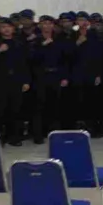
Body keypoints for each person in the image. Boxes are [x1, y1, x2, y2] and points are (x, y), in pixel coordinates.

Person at [0, 18, 31, 146]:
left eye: (9, 26)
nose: (6, 29)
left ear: (13, 28)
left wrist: (26, 81)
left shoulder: (19, 42)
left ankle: (14, 136)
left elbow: (25, 63)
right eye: (3, 27)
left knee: (15, 109)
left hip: (16, 79)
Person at [30, 15, 69, 143]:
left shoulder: (59, 39)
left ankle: (54, 134)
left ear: (53, 25)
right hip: (40, 77)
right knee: (39, 106)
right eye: (44, 23)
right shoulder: (35, 40)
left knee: (55, 106)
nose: (47, 26)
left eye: (49, 23)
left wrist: (64, 76)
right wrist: (43, 46)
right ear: (40, 25)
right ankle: (38, 135)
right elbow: (31, 59)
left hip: (56, 76)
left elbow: (65, 60)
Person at [68, 11, 103, 137]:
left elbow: (99, 56)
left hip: (91, 73)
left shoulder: (94, 35)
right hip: (76, 73)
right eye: (80, 20)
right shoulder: (72, 35)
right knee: (78, 100)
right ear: (76, 22)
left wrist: (98, 74)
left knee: (92, 101)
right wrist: (77, 43)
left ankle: (93, 127)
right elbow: (67, 55)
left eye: (85, 20)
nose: (82, 22)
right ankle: (79, 127)